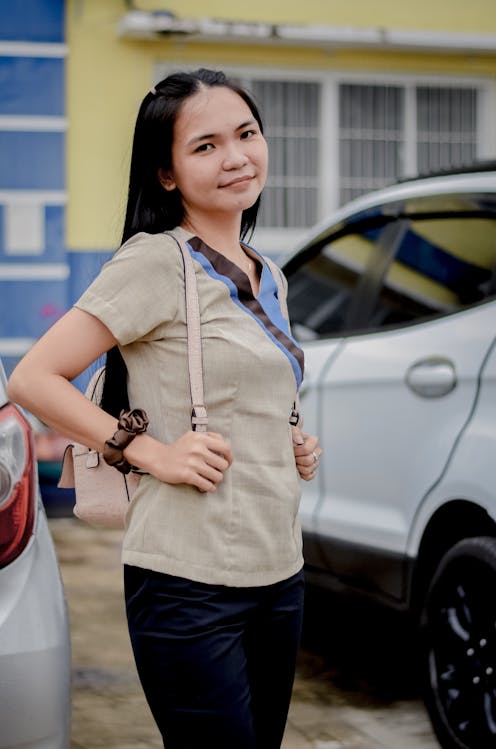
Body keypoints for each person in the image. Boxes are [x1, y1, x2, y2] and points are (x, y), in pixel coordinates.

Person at [8, 68, 322, 749]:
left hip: (280, 575)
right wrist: (148, 450)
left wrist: (293, 439)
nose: (236, 156)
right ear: (168, 173)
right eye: (205, 145)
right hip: (189, 584)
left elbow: (245, 386)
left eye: (246, 134)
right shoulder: (156, 261)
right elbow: (35, 376)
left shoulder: (272, 273)